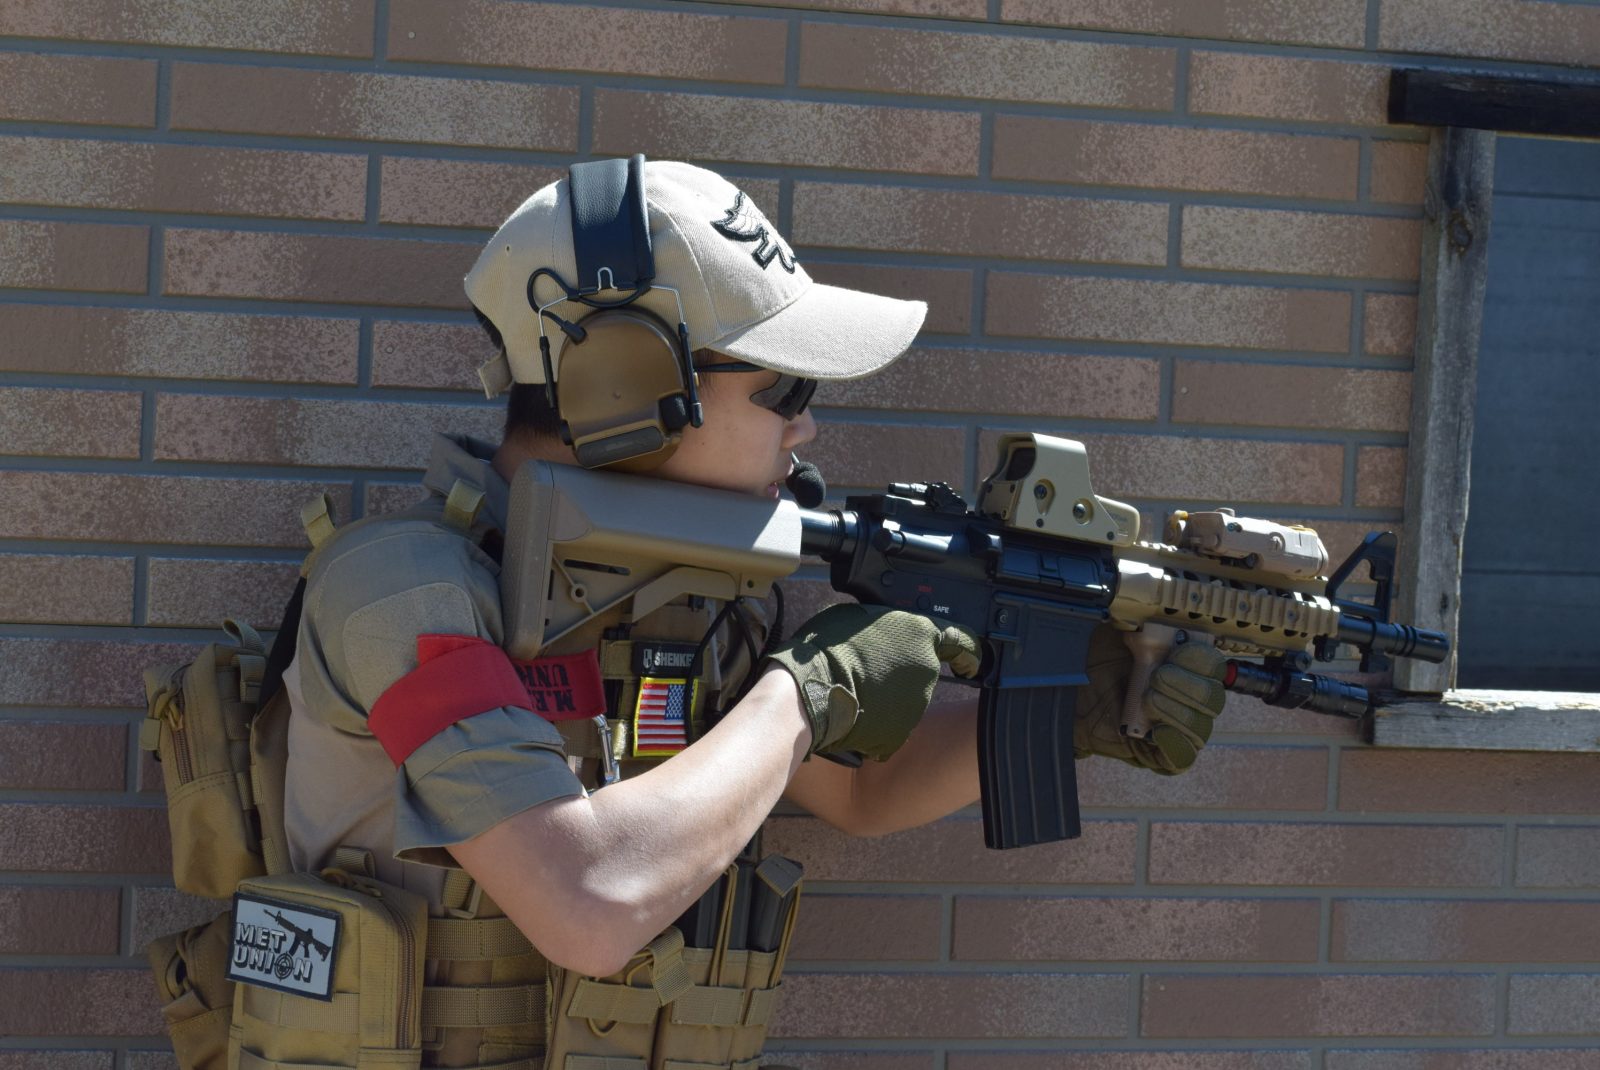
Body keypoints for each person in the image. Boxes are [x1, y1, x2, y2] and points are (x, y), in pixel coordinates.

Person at [274, 158, 1225, 1067]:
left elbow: (856, 794)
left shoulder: (696, 598)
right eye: (785, 388)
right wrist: (803, 694)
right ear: (625, 386)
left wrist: (1065, 709)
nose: (806, 425)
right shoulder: (401, 591)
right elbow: (588, 904)